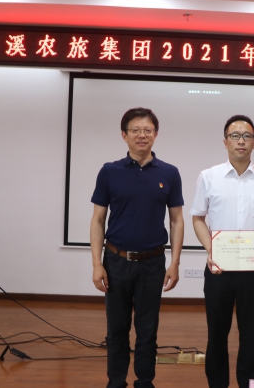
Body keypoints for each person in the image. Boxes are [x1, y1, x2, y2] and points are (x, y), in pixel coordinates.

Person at [90, 107, 184, 388]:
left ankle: (145, 382)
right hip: (115, 261)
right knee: (116, 329)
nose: (142, 135)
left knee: (148, 329)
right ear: (124, 135)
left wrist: (175, 263)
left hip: (153, 263)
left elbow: (177, 220)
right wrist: (97, 264)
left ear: (155, 134)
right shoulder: (109, 171)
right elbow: (97, 220)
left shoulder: (169, 173)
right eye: (135, 130)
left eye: (147, 130)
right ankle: (116, 382)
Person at [190, 115, 254, 388]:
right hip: (218, 268)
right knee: (216, 334)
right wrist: (211, 250)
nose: (240, 141)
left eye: (246, 136)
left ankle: (248, 384)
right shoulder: (208, 177)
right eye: (235, 136)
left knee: (251, 334)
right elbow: (198, 218)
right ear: (225, 142)